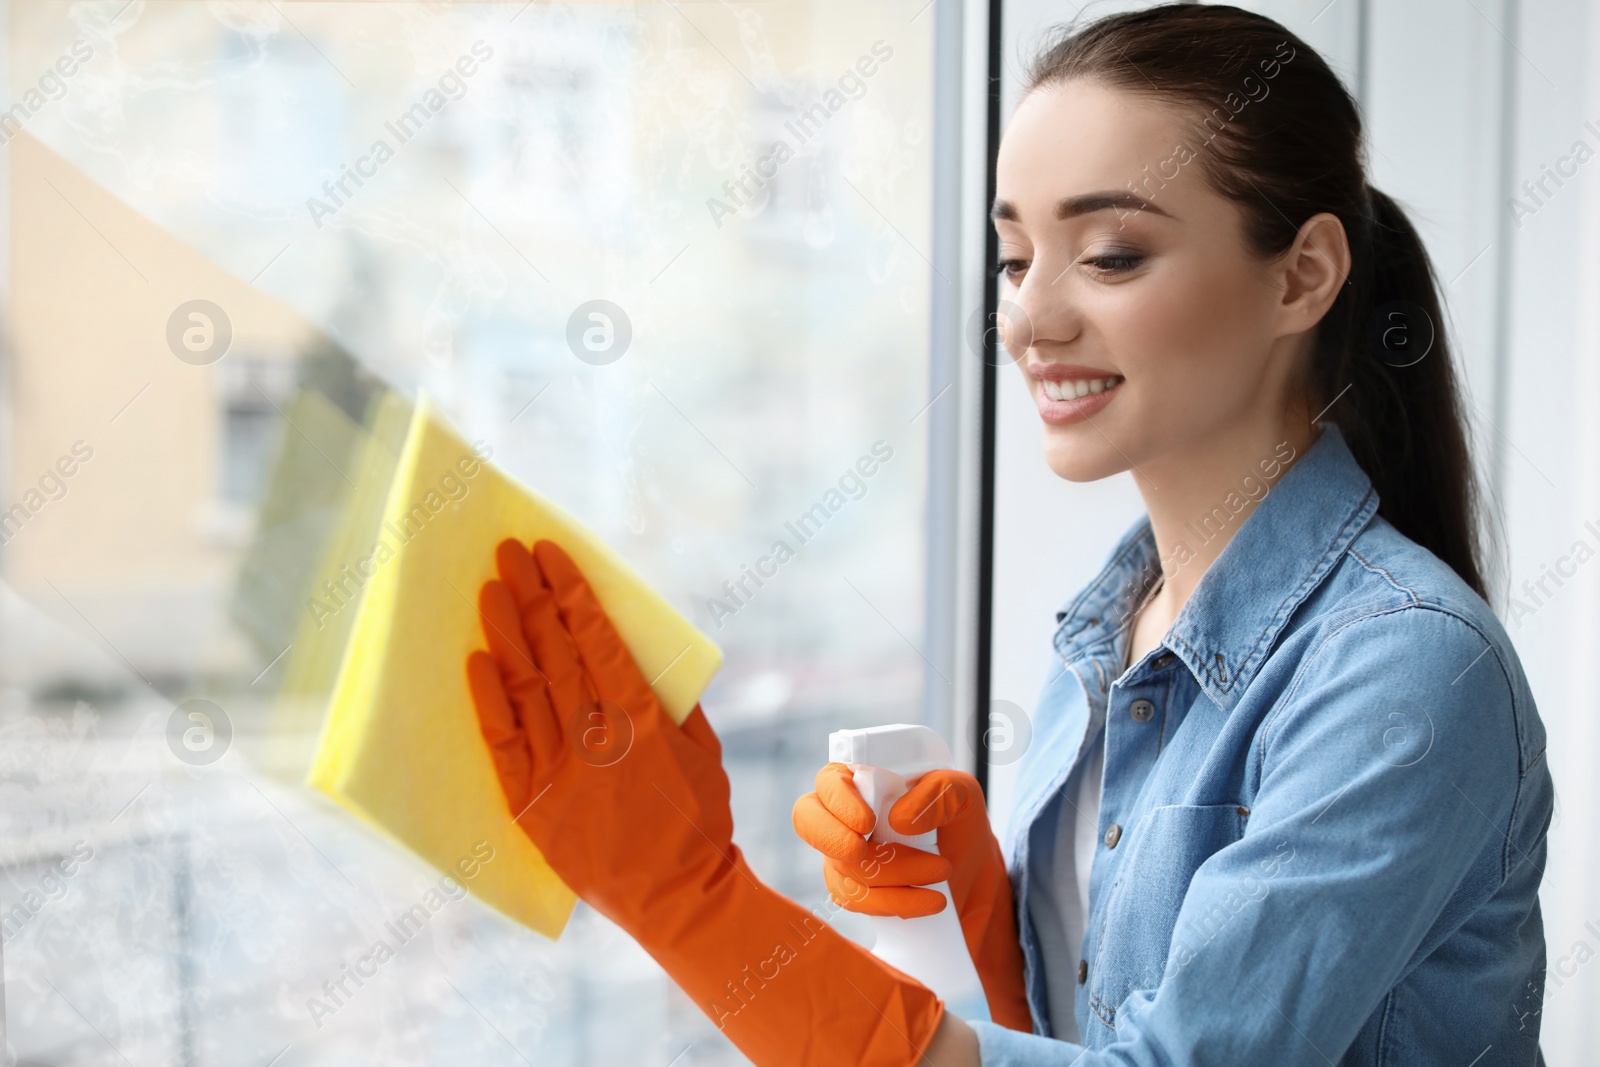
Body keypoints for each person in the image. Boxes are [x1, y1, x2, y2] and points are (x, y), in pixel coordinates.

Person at [466, 5, 1554, 1064]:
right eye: (1014, 258)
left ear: (1301, 275)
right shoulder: (1109, 626)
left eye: (1112, 254)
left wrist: (688, 899)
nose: (1028, 318)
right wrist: (984, 930)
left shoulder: (1405, 667)